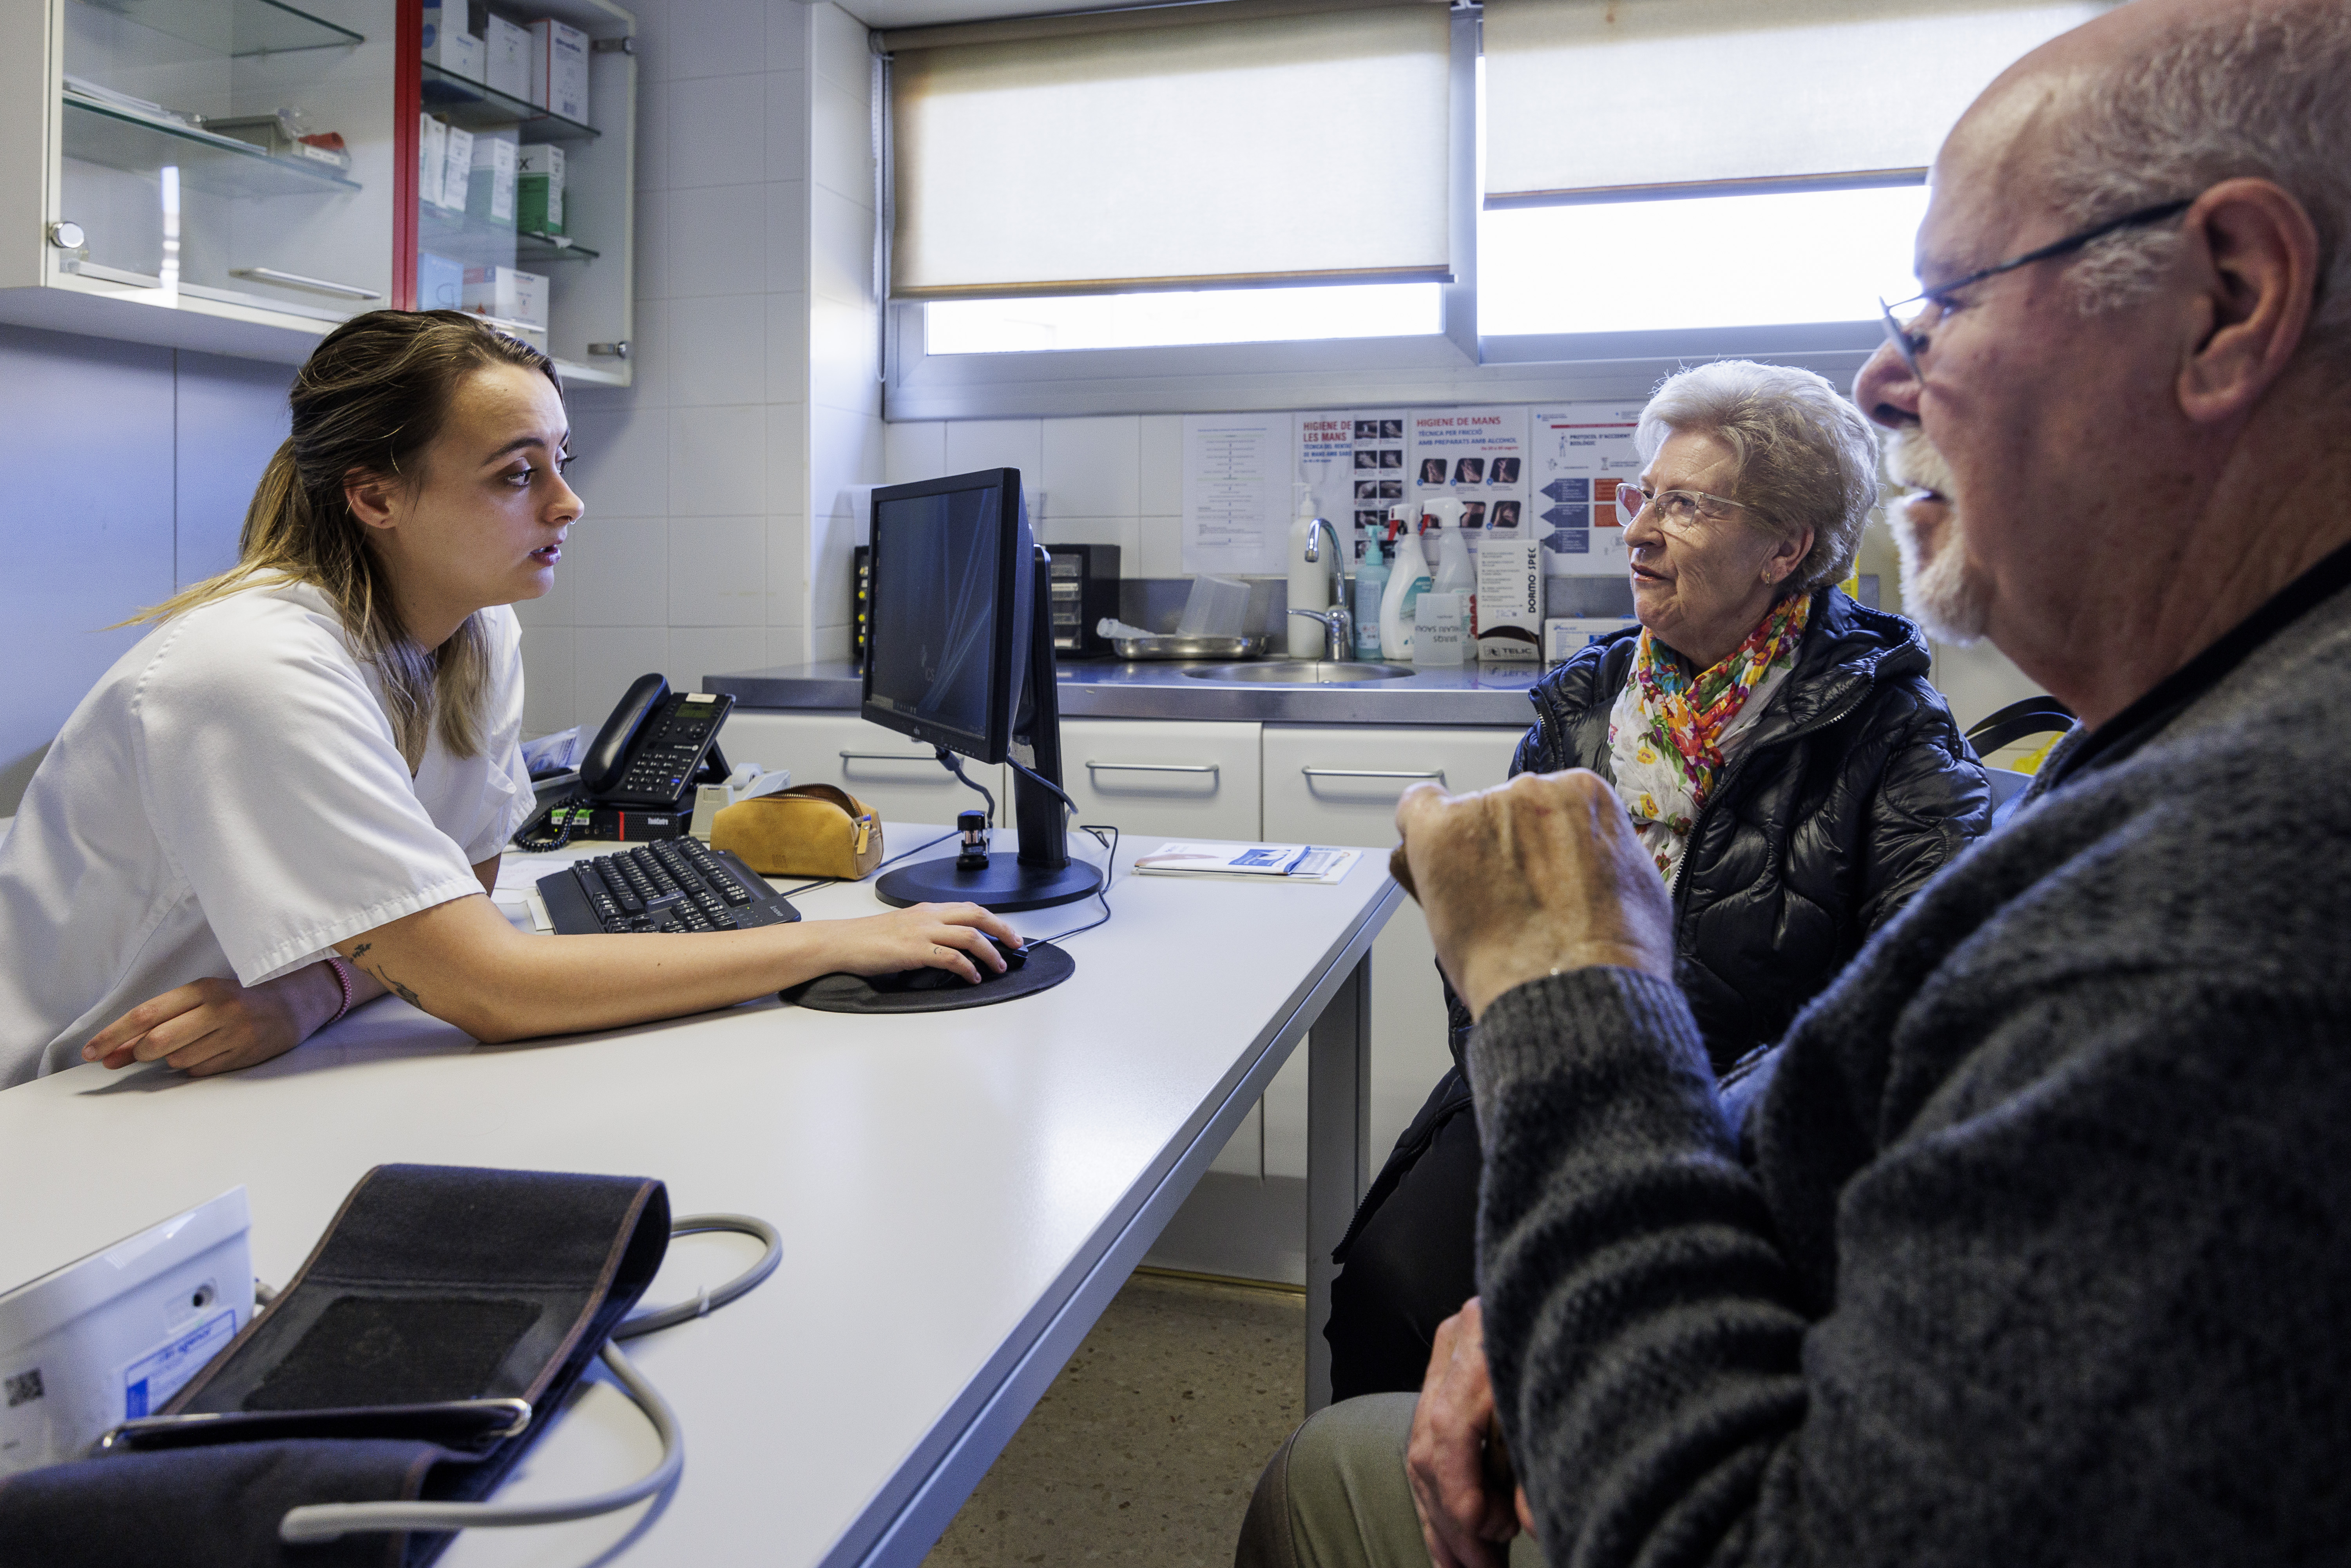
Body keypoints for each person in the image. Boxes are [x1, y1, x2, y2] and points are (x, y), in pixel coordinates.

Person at [1239, 0, 2351, 1563]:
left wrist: (1568, 994)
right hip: (1698, 1186)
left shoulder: (2224, 895)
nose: (1891, 376)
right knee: (1390, 1283)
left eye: (1951, 298)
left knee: (1318, 1487)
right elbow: (1872, 1046)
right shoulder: (2186, 728)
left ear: (2232, 298)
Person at [0, 311, 1017, 1088]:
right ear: (377, 496)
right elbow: (490, 986)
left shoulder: (476, 630)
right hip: (60, 1105)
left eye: (559, 463)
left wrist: (315, 990)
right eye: (515, 474)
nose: (567, 502)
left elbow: (465, 892)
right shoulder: (253, 669)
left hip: (209, 1081)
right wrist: (837, 940)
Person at [1322, 360, 1989, 1402]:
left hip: (1752, 1130)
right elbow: (1482, 952)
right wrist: (1532, 1085)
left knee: (1647, 1345)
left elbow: (1906, 1014)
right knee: (1393, 1287)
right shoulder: (1580, 707)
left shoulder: (1891, 727)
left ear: (1785, 547)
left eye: (1685, 505)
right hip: (1541, 1075)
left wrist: (1666, 1139)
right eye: (1645, 495)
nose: (1638, 528)